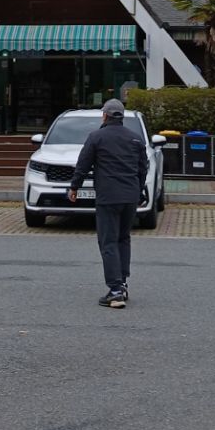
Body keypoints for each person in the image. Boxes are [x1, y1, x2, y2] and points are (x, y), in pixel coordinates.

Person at [69, 98, 147, 309]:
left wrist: (74, 187)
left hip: (108, 196)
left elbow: (83, 164)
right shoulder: (135, 138)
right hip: (130, 196)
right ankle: (123, 283)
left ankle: (115, 291)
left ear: (105, 115)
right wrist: (138, 189)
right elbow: (143, 167)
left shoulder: (96, 137)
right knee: (123, 238)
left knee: (108, 241)